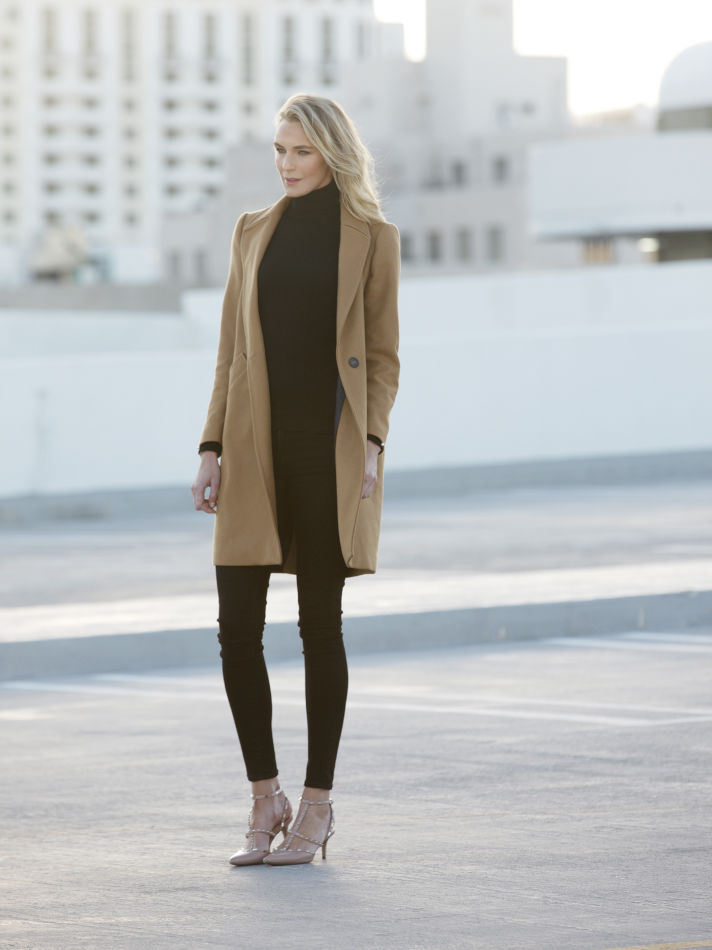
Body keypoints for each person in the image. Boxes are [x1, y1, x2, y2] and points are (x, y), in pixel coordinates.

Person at [191, 93, 400, 867]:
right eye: (279, 150)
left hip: (328, 450)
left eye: (300, 151)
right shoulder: (253, 231)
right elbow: (229, 353)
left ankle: (315, 806)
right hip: (252, 449)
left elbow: (383, 357)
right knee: (236, 630)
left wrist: (371, 443)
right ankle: (263, 796)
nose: (286, 164)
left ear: (332, 154)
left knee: (320, 627)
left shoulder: (373, 238)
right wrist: (210, 446)